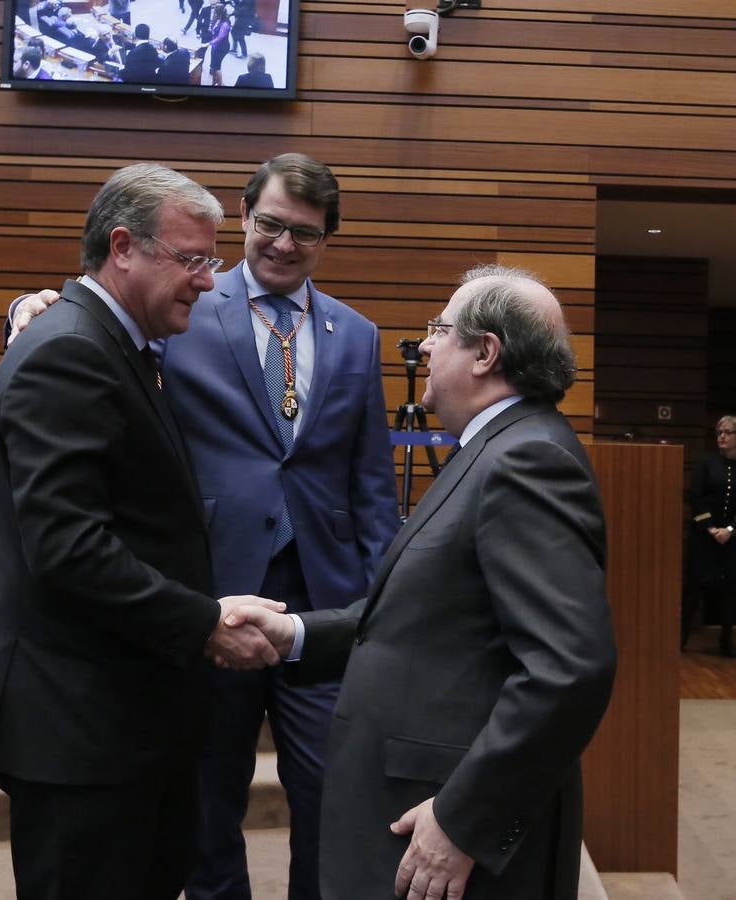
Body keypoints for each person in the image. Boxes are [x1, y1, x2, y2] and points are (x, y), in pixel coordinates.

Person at [7, 153, 400, 900]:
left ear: (327, 241)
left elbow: (371, 480)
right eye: (269, 225)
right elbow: (97, 323)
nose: (284, 245)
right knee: (205, 795)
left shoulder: (356, 333)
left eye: (305, 235)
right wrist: (29, 306)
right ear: (245, 217)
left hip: (322, 597)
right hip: (208, 591)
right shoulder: (186, 299)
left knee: (330, 794)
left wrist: (378, 602)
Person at [228, 265, 618, 900]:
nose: (426, 347)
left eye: (440, 330)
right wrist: (294, 632)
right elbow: (424, 617)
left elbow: (569, 668)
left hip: (442, 823)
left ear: (486, 352)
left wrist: (464, 820)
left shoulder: (528, 461)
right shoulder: (495, 448)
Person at [0, 164, 285, 900]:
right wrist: (202, 621)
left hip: (119, 724)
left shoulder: (114, 345)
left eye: (214, 260)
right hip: (78, 733)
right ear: (123, 247)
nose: (209, 281)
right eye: (193, 259)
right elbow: (69, 549)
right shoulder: (72, 353)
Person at [681, 414, 736, 654]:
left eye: (728, 432)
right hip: (705, 537)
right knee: (693, 589)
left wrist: (731, 530)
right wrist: (712, 528)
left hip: (732, 539)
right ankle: (680, 640)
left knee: (731, 591)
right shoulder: (706, 462)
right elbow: (696, 498)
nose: (722, 436)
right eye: (719, 432)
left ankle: (726, 642)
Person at [207, 3, 230, 86]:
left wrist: (209, 43)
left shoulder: (225, 24)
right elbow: (213, 29)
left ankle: (220, 84)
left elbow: (220, 37)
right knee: (213, 65)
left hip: (221, 47)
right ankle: (214, 82)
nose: (213, 13)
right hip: (215, 46)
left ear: (218, 13)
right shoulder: (218, 19)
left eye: (215, 12)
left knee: (217, 67)